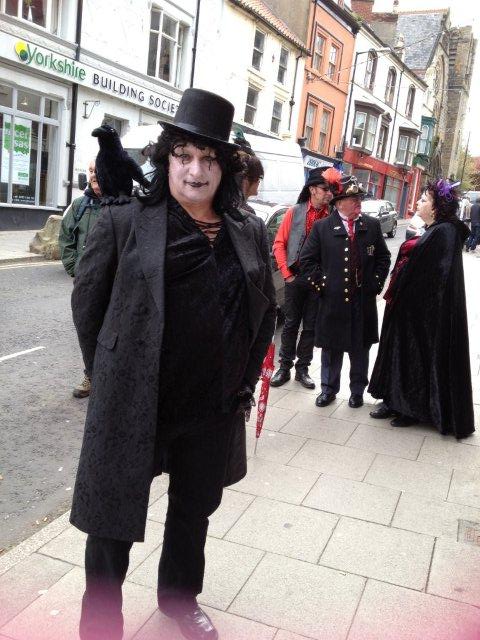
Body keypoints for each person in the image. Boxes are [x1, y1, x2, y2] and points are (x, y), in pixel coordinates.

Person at [70, 88, 276, 640]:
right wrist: (114, 373)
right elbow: (87, 307)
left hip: (211, 405)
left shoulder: (247, 229)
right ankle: (100, 622)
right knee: (110, 521)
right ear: (166, 159)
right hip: (138, 401)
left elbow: (265, 310)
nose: (195, 170)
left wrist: (243, 382)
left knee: (193, 510)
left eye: (209, 159)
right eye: (184, 155)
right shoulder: (124, 222)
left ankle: (180, 600)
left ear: (225, 170)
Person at [368, 180, 474, 438]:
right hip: (407, 310)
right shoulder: (435, 229)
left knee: (413, 358)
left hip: (422, 315)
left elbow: (434, 278)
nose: (418, 203)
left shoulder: (444, 232)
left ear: (437, 208)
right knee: (399, 354)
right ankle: (394, 401)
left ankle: (410, 408)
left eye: (424, 200)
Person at [299, 175, 391, 408]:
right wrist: (323, 286)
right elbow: (307, 261)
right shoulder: (323, 228)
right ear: (339, 203)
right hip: (333, 301)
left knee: (361, 348)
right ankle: (328, 389)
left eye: (359, 198)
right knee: (332, 347)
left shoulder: (371, 225)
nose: (359, 201)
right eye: (353, 198)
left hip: (363, 300)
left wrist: (375, 284)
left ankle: (357, 391)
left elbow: (383, 257)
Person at [270, 166, 341, 389]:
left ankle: (303, 370)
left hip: (319, 280)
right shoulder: (295, 212)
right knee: (291, 324)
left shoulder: (332, 215)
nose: (329, 193)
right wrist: (287, 274)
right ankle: (284, 368)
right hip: (295, 277)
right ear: (312, 190)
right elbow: (279, 244)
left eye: (330, 189)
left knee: (311, 326)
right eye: (324, 188)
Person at [58, 160, 102, 398]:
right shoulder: (80, 205)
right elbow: (65, 238)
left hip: (114, 284)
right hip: (84, 283)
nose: (93, 175)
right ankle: (91, 375)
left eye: (98, 170)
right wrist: (75, 269)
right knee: (86, 331)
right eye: (91, 171)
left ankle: (109, 378)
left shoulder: (120, 204)